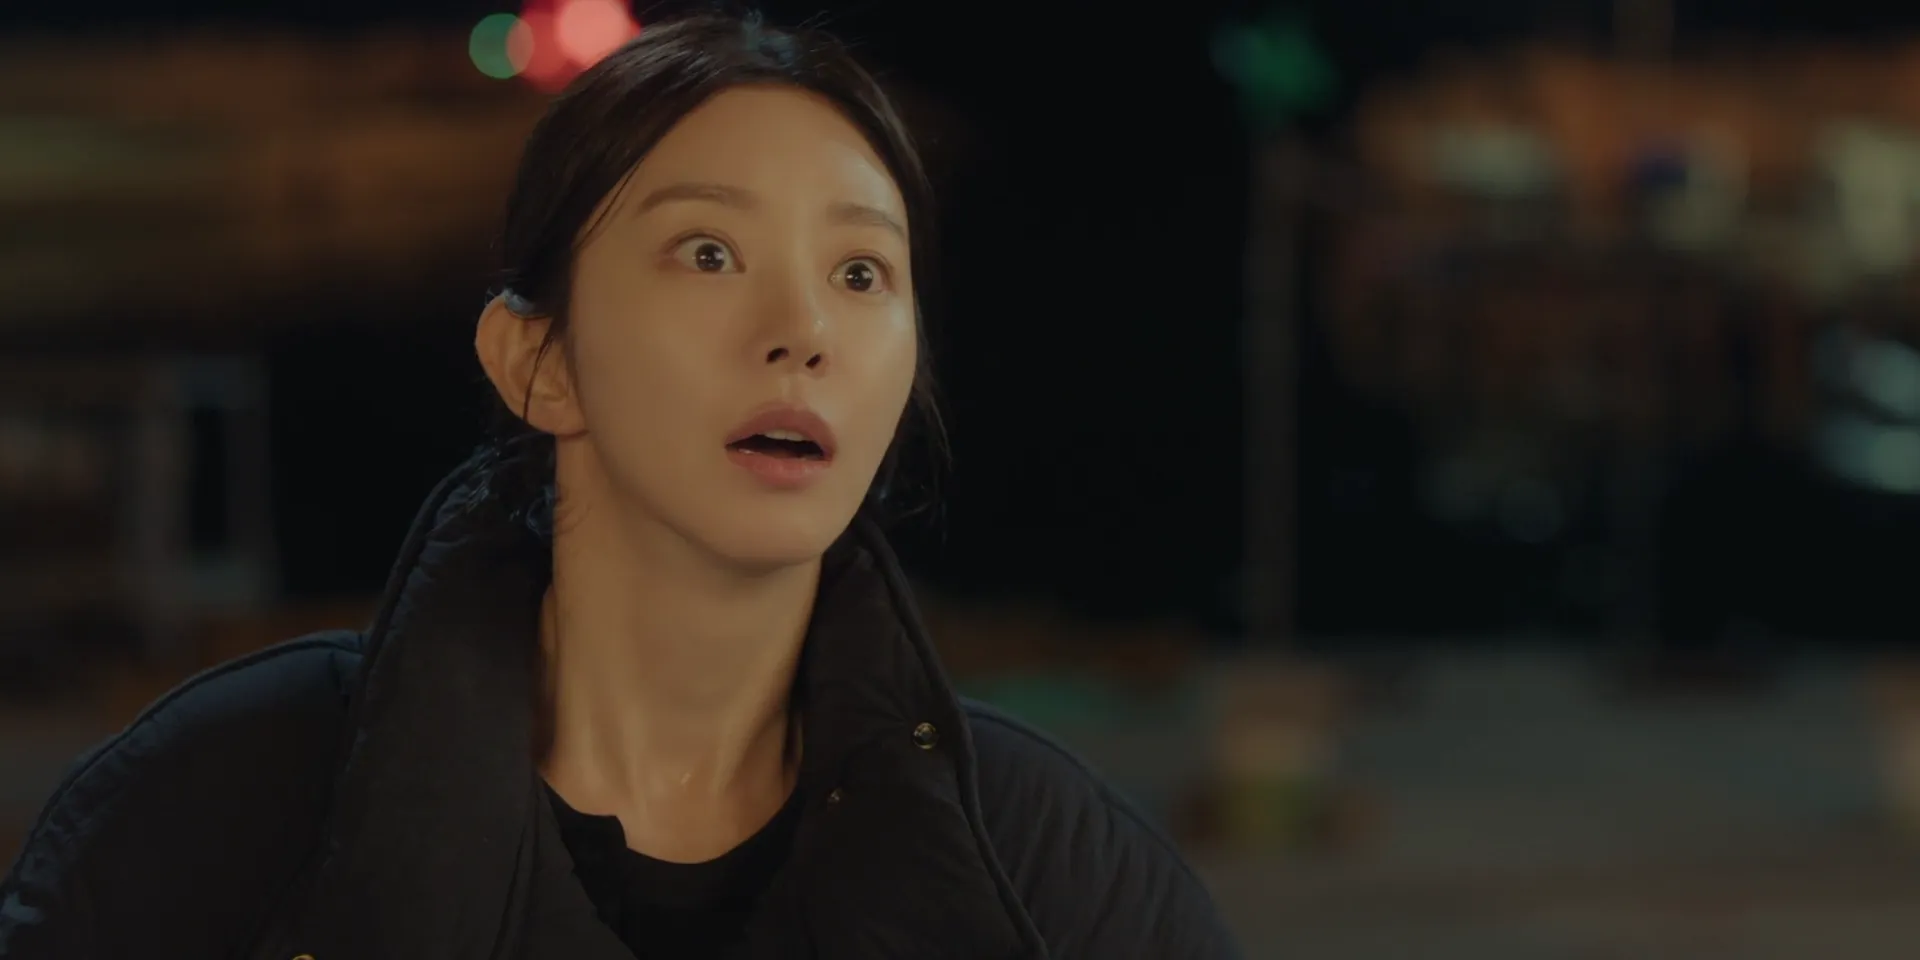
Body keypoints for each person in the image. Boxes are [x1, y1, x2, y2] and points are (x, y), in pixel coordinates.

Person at [0, 12, 1238, 959]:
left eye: (861, 273)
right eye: (709, 252)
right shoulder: (223, 805)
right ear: (536, 362)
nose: (803, 330)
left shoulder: (1048, 869)